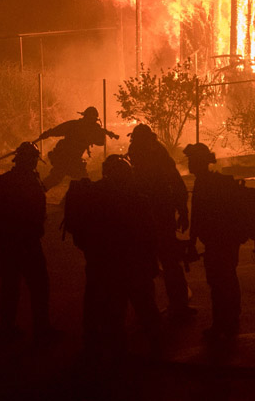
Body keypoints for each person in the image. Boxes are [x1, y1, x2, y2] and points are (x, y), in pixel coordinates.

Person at [66, 154, 161, 363]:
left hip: (104, 266)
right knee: (145, 308)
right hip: (132, 267)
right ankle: (156, 350)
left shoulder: (94, 198)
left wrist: (94, 255)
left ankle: (111, 354)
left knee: (110, 311)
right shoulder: (137, 200)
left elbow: (81, 233)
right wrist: (152, 263)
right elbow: (150, 236)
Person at [0, 141, 54, 345]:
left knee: (10, 285)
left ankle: (8, 328)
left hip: (8, 242)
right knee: (39, 285)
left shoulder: (3, 181)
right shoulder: (30, 182)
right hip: (26, 241)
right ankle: (40, 328)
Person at [127, 124, 195, 321]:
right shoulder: (154, 152)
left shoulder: (143, 154)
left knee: (153, 263)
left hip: (150, 214)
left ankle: (150, 312)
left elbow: (173, 180)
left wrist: (182, 209)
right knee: (168, 260)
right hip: (157, 213)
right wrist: (182, 210)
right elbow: (174, 180)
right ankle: (175, 306)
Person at [185, 142, 245, 342]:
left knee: (218, 282)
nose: (190, 164)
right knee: (228, 278)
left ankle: (221, 323)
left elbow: (198, 216)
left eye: (192, 160)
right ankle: (232, 318)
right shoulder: (215, 181)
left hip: (217, 241)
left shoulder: (204, 184)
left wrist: (192, 241)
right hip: (228, 239)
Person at [36, 106, 119, 190]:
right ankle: (37, 192)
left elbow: (100, 142)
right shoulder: (75, 125)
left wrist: (99, 133)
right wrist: (48, 133)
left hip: (72, 159)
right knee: (62, 179)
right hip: (65, 157)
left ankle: (39, 192)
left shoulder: (83, 127)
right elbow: (59, 130)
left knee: (64, 179)